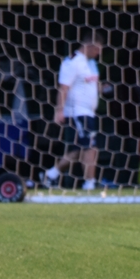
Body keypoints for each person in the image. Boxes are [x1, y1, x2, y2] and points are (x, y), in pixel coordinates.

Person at [44, 30, 103, 192]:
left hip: (89, 112)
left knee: (77, 150)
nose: (98, 53)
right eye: (97, 49)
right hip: (77, 112)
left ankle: (52, 174)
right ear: (89, 45)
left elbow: (91, 84)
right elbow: (63, 88)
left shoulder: (91, 63)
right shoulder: (72, 62)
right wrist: (59, 110)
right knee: (90, 147)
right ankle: (90, 184)